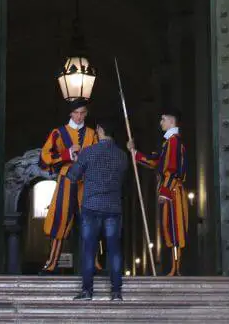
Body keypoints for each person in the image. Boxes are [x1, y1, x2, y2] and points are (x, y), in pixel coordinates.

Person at [65, 117, 128, 301]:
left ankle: (87, 291)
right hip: (113, 208)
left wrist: (77, 161)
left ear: (99, 129)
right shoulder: (122, 155)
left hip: (91, 207)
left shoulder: (88, 152)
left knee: (88, 250)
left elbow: (73, 176)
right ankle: (116, 292)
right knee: (114, 250)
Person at [37, 97, 97, 274]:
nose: (79, 117)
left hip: (86, 181)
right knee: (59, 221)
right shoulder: (59, 132)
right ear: (71, 113)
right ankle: (52, 263)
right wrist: (66, 155)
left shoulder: (92, 134)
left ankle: (94, 264)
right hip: (67, 179)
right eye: (76, 113)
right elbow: (44, 156)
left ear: (86, 114)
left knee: (90, 221)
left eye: (82, 113)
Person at [128, 107, 188, 276]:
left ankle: (176, 268)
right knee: (170, 229)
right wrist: (135, 153)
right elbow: (156, 163)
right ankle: (174, 267)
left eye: (163, 119)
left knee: (176, 231)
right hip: (170, 190)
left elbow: (172, 168)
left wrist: (165, 191)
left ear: (171, 121)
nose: (160, 122)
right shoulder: (167, 143)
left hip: (173, 191)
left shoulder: (174, 142)